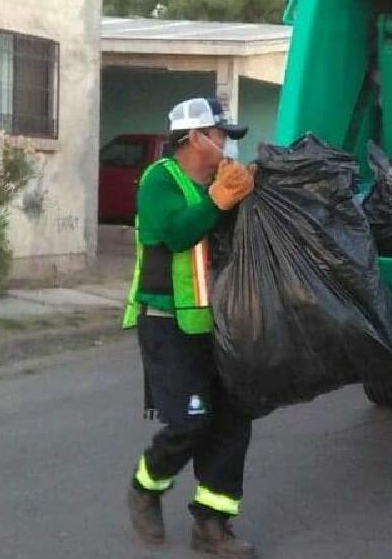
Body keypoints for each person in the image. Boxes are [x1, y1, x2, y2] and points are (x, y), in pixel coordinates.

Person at [121, 97, 258, 558]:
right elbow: (176, 234)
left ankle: (212, 523)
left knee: (234, 417)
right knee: (192, 420)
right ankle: (146, 486)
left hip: (218, 324)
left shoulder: (220, 180)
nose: (226, 146)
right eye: (220, 136)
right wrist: (218, 202)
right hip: (168, 323)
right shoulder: (160, 181)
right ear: (194, 137)